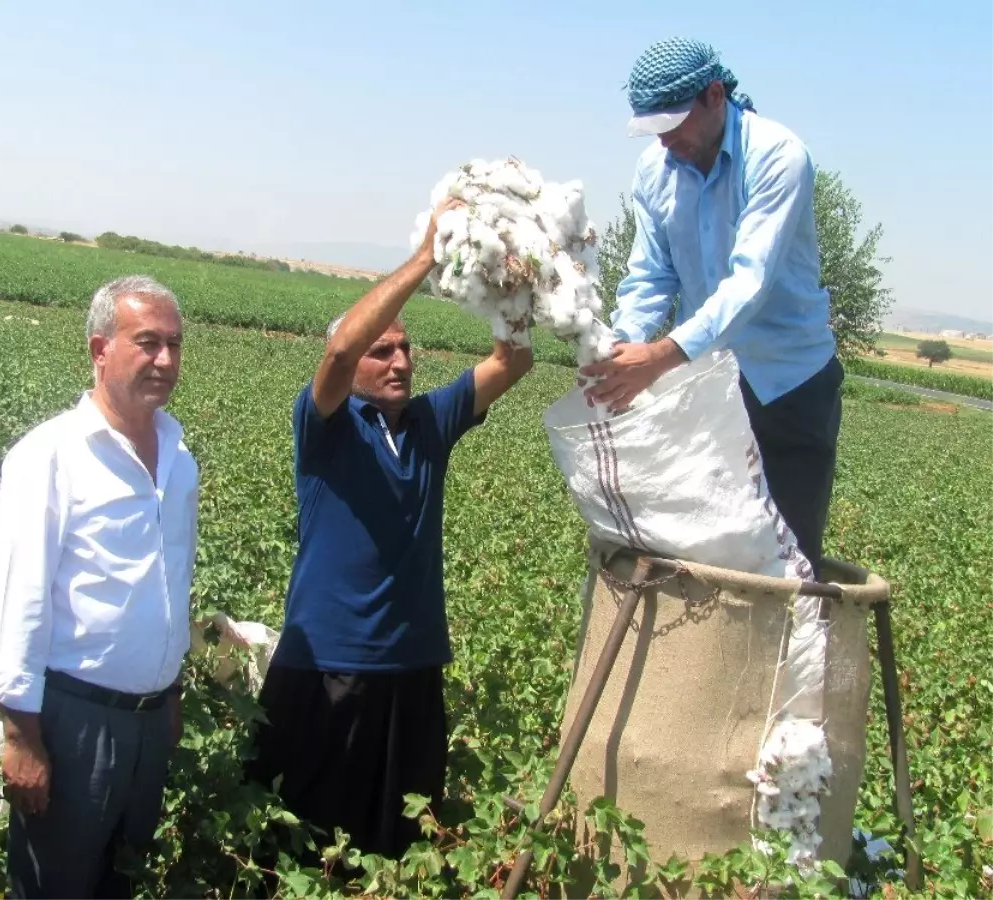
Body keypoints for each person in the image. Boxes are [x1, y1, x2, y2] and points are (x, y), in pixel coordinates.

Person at [247, 199, 535, 860]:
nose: (400, 361)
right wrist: (427, 256)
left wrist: (510, 279)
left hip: (412, 666)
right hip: (330, 667)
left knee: (398, 844)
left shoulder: (432, 422)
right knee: (303, 846)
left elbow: (513, 361)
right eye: (382, 351)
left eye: (406, 348)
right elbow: (340, 346)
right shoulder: (327, 426)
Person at [583, 37, 843, 577]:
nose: (665, 140)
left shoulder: (777, 157)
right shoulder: (654, 172)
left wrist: (661, 355)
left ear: (715, 95)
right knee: (702, 546)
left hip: (789, 383)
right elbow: (651, 273)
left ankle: (790, 631)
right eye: (654, 129)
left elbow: (749, 282)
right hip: (707, 383)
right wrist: (621, 344)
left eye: (674, 123)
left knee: (788, 561)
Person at [0, 275, 200, 900]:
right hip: (74, 722)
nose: (165, 360)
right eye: (148, 342)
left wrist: (170, 691)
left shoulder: (179, 458)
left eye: (174, 344)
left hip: (149, 720)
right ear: (100, 349)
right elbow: (18, 600)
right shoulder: (50, 456)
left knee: (121, 883)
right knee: (57, 887)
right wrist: (22, 737)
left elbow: (171, 582)